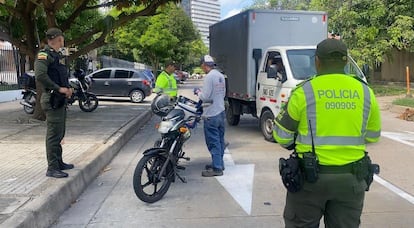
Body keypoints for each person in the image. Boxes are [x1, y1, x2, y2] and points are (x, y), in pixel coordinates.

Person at [273, 38, 381, 227]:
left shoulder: (303, 92)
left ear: (317, 61)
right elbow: (373, 135)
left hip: (310, 181)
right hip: (351, 180)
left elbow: (282, 136)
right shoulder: (365, 92)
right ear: (346, 61)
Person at [35, 28, 74, 178]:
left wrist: (67, 89)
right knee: (53, 135)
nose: (63, 41)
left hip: (59, 99)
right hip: (51, 98)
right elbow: (40, 75)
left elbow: (60, 75)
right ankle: (52, 168)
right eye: (62, 38)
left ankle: (59, 162)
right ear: (59, 39)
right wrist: (59, 89)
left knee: (59, 133)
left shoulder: (56, 55)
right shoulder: (44, 55)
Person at [194, 55, 226, 177]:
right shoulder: (220, 76)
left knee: (213, 142)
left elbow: (205, 96)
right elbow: (222, 94)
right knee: (219, 140)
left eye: (201, 65)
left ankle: (217, 168)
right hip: (220, 111)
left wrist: (198, 92)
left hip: (211, 114)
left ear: (204, 64)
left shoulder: (209, 77)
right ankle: (219, 163)